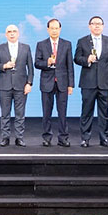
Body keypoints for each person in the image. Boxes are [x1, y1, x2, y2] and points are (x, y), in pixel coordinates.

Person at [74, 16, 108, 148]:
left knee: (104, 113)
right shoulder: (82, 41)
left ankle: (104, 138)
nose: (97, 26)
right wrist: (87, 59)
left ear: (103, 26)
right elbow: (76, 58)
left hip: (105, 82)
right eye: (94, 23)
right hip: (88, 82)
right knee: (86, 112)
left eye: (99, 24)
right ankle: (85, 139)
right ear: (89, 26)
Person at [0, 24, 34, 147]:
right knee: (5, 114)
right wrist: (4, 66)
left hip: (21, 86)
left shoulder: (26, 48)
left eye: (14, 31)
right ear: (6, 34)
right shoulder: (0, 48)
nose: (12, 33)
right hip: (4, 85)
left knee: (20, 114)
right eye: (9, 31)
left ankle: (19, 138)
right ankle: (5, 138)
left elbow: (30, 68)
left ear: (18, 33)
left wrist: (29, 83)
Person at [34, 19, 74, 147]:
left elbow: (70, 66)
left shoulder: (67, 44)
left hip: (62, 83)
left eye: (56, 28)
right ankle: (47, 137)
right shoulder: (41, 44)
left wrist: (71, 85)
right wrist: (47, 62)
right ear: (48, 29)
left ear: (60, 29)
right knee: (47, 112)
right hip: (47, 83)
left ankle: (63, 138)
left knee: (62, 112)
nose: (54, 30)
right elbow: (37, 63)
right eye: (52, 28)